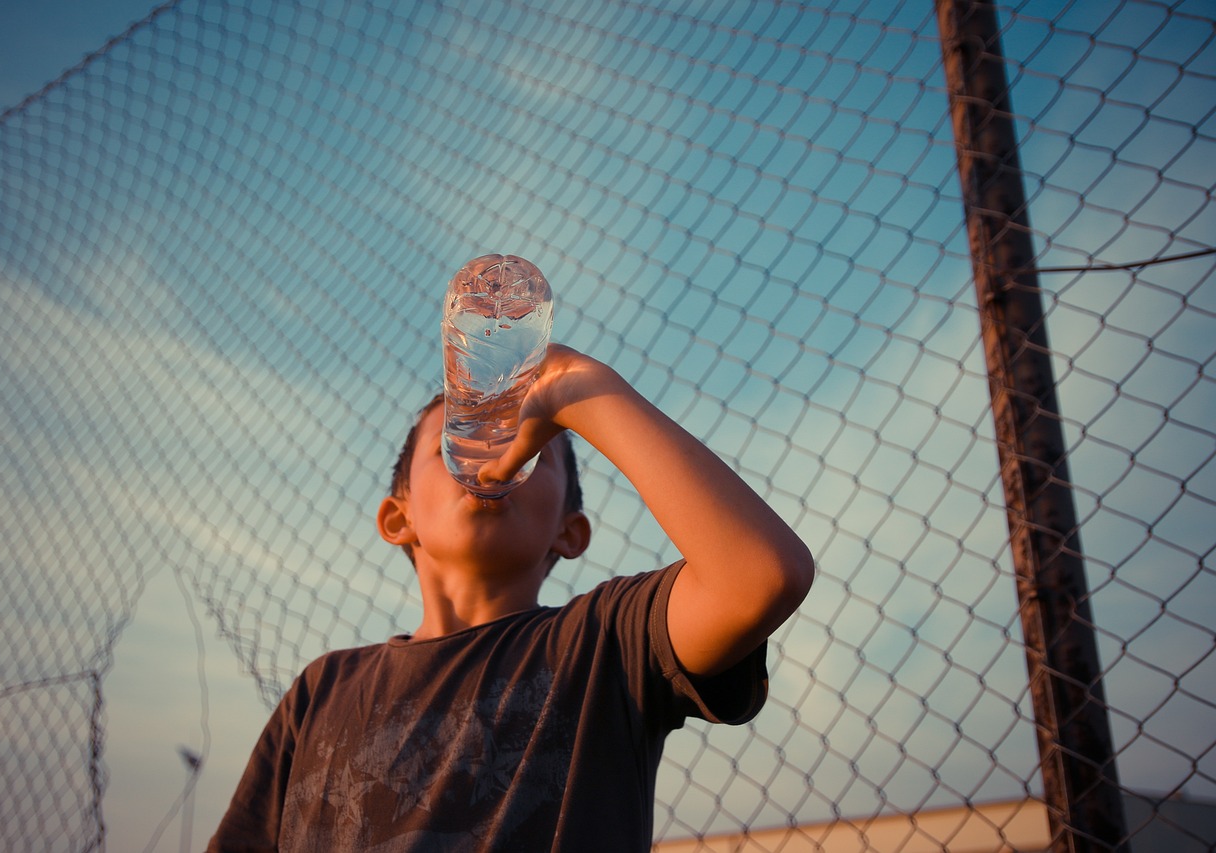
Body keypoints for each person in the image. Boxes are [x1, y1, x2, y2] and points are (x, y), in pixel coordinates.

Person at [207, 343, 814, 852]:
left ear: (569, 532)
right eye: (459, 437)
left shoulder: (606, 643)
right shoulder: (322, 691)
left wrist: (582, 392)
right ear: (399, 518)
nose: (492, 453)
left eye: (530, 444)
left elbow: (761, 576)